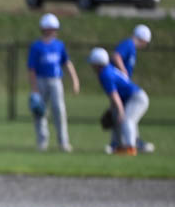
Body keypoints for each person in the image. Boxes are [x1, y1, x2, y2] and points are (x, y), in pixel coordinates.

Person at [26, 13, 80, 152]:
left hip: (56, 81)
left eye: (54, 29)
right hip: (40, 81)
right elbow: (31, 69)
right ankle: (42, 142)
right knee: (39, 111)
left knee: (59, 111)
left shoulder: (59, 45)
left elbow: (67, 63)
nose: (53, 31)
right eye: (50, 28)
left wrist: (75, 80)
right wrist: (34, 89)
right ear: (44, 29)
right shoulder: (36, 46)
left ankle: (63, 142)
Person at [88, 47, 150, 156]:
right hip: (130, 98)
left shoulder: (105, 74)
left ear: (98, 64)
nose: (91, 66)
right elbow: (115, 96)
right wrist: (113, 110)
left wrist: (120, 111)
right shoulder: (108, 69)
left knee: (127, 120)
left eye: (93, 63)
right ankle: (119, 146)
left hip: (136, 98)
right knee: (119, 118)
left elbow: (114, 95)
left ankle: (130, 148)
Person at [109, 24, 154, 153]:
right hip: (120, 85)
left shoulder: (132, 47)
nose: (145, 45)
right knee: (124, 116)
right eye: (146, 42)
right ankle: (122, 143)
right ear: (143, 38)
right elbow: (116, 56)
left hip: (122, 87)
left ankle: (127, 142)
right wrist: (124, 72)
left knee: (124, 115)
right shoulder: (129, 44)